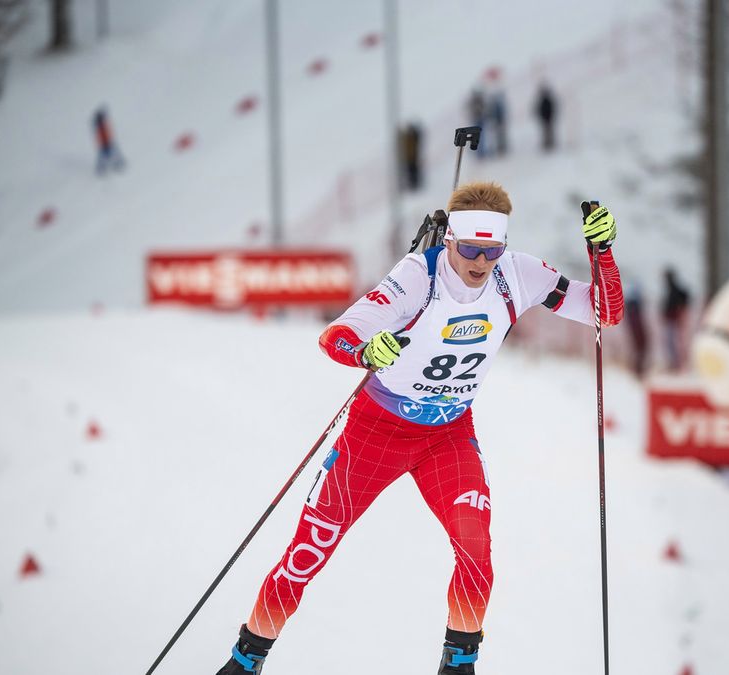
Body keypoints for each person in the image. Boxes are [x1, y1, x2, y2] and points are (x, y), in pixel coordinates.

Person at [217, 182, 624, 675]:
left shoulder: (517, 275)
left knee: (476, 551)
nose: (480, 261)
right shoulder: (416, 277)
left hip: (448, 436)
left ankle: (458, 666)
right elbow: (335, 336)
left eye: (491, 250)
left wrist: (602, 254)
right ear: (449, 239)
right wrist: (366, 352)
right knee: (308, 553)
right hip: (377, 432)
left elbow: (604, 312)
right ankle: (245, 660)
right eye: (470, 248)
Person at [662, 267, 691, 372]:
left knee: (674, 342)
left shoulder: (674, 289)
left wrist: (681, 312)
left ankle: (677, 364)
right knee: (672, 342)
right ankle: (675, 363)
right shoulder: (671, 289)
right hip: (672, 319)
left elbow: (683, 300)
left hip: (675, 319)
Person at [624, 280, 649, 378]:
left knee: (639, 348)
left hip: (636, 331)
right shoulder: (634, 310)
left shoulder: (631, 308)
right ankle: (637, 369)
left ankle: (637, 369)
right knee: (639, 348)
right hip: (637, 332)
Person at [92, 106, 125, 175]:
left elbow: (106, 133)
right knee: (108, 155)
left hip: (106, 142)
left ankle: (116, 164)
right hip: (105, 143)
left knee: (110, 154)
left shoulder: (101, 125)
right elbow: (102, 135)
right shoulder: (101, 126)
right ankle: (103, 168)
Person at [534, 82, 558, 151]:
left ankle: (550, 143)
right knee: (546, 131)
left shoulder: (547, 100)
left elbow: (552, 108)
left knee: (548, 131)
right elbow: (539, 109)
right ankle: (548, 143)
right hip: (546, 118)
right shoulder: (544, 100)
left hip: (548, 118)